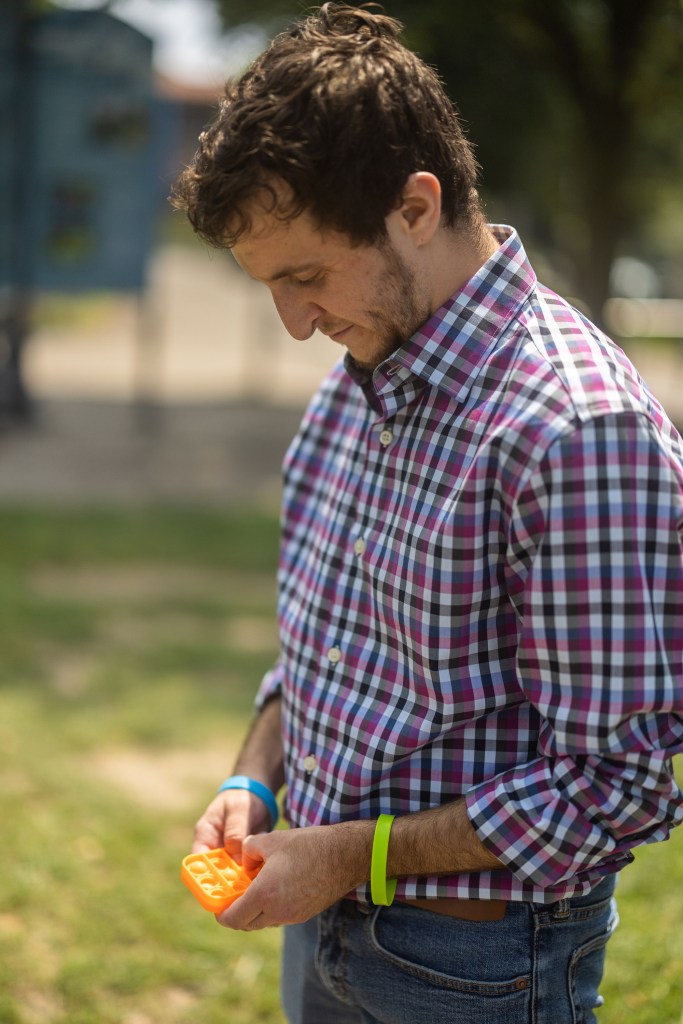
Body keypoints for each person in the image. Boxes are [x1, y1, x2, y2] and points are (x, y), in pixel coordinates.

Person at [172, 5, 683, 1022]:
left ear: (414, 205)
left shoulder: (575, 428)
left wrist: (352, 853)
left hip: (470, 968)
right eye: (271, 285)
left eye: (305, 275)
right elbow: (318, 653)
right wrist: (255, 782)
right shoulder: (353, 379)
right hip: (316, 912)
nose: (294, 322)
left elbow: (612, 782)